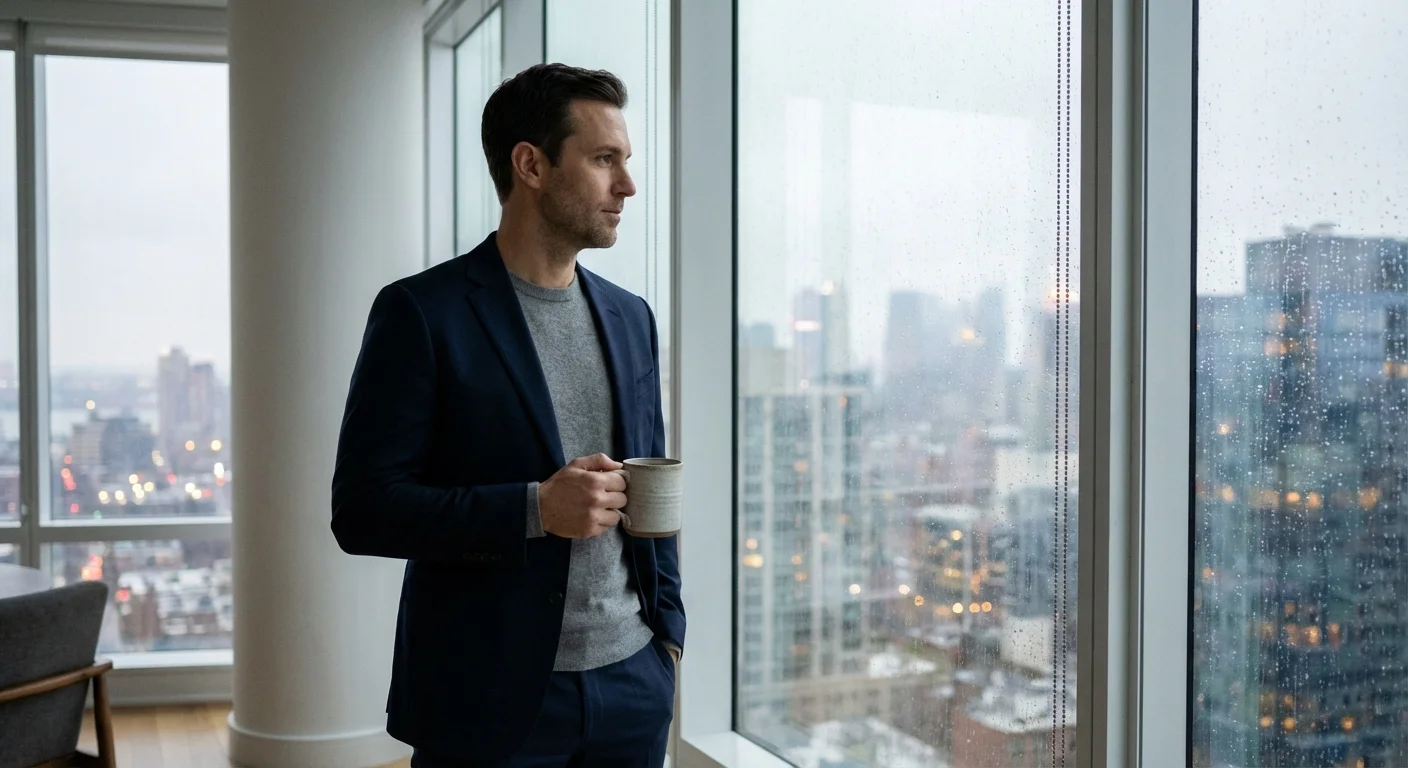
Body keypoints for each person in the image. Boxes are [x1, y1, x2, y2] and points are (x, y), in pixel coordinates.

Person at [331, 63, 684, 767]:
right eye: (604, 159)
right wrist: (534, 508)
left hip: (632, 688)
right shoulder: (421, 314)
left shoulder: (631, 316)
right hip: (488, 700)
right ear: (531, 164)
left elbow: (652, 488)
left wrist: (666, 639)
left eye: (627, 161)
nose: (627, 186)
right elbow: (364, 511)